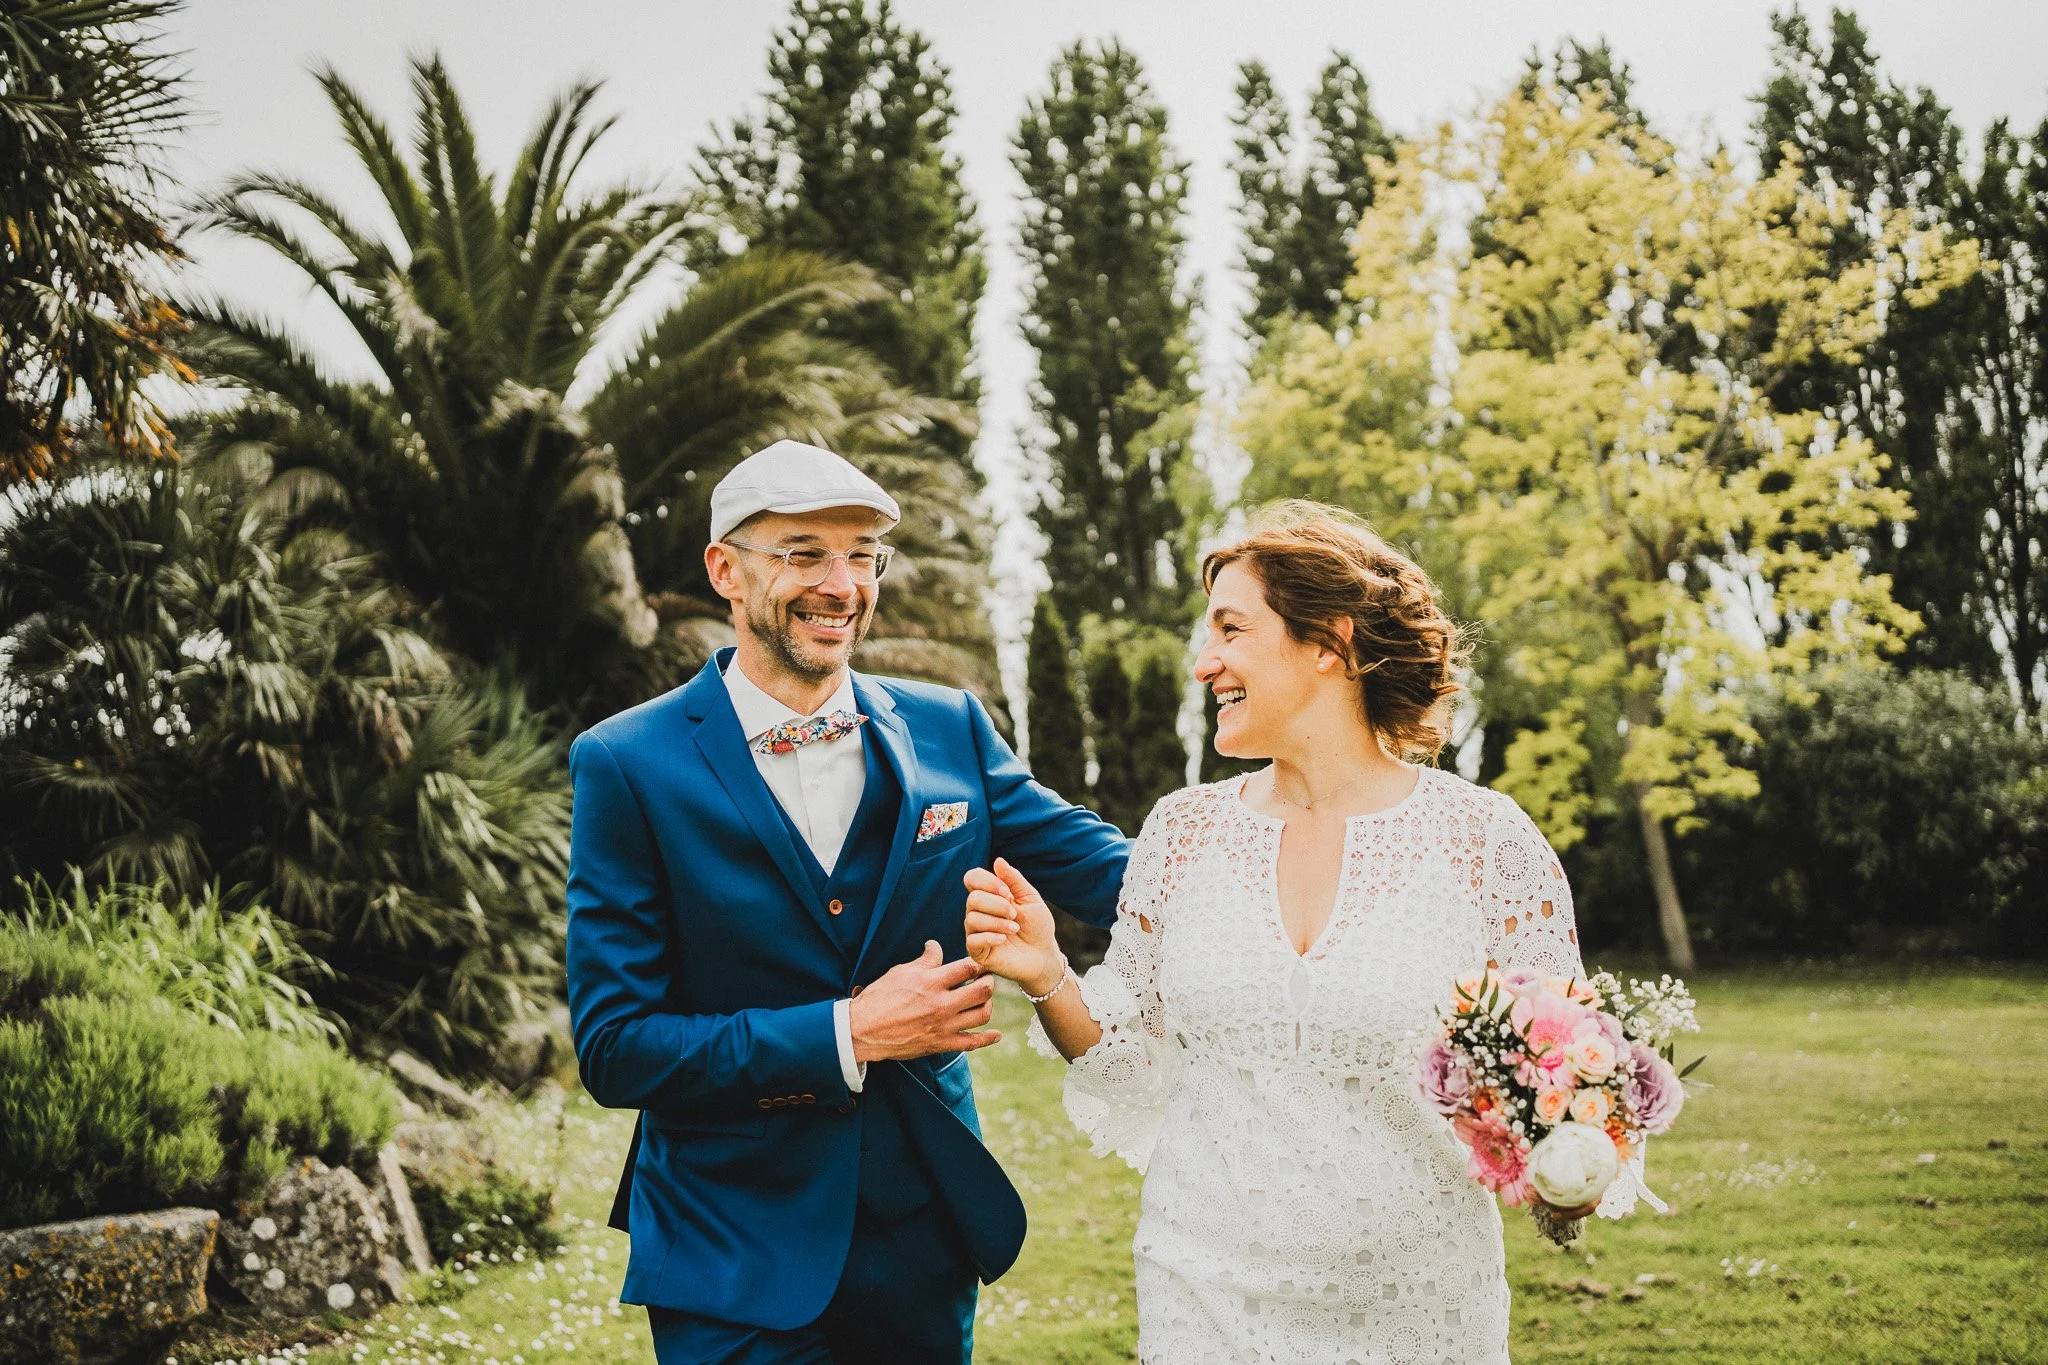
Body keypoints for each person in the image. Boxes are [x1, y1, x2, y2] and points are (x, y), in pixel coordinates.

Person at [965, 500, 1584, 1364]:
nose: (1203, 662)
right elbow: (1131, 1059)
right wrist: (1047, 974)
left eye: (1230, 628)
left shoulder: (1485, 841)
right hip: (1202, 1295)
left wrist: (1571, 1159)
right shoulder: (1181, 833)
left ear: (1328, 643)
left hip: (1420, 1305)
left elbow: (1567, 1088)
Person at [565, 439, 1128, 1364]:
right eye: (805, 552)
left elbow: (1118, 875)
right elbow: (616, 1048)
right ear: (726, 570)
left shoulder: (951, 726)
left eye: (863, 554)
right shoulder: (627, 763)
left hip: (923, 1238)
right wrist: (849, 1033)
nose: (843, 583)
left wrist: (1332, 829)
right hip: (731, 1248)